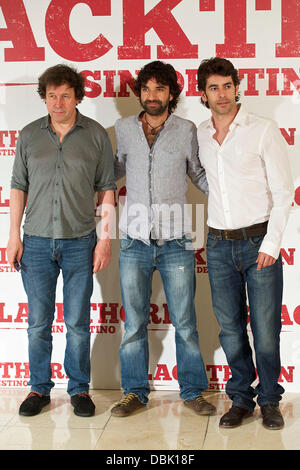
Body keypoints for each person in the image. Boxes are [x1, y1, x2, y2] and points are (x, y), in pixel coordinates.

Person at [7, 64, 115, 417]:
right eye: (51, 96)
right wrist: (13, 237)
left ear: (77, 97)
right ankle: (39, 389)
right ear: (44, 97)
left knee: (77, 322)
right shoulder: (28, 135)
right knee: (38, 321)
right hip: (35, 242)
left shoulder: (96, 135)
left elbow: (107, 190)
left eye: (65, 95)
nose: (57, 102)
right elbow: (18, 187)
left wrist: (105, 239)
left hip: (80, 241)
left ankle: (79, 390)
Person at [111, 60, 215, 417]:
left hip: (176, 240)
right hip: (133, 239)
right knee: (134, 322)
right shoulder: (123, 129)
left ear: (172, 93)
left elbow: (200, 175)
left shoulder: (187, 130)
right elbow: (113, 170)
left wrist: (231, 194)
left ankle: (192, 391)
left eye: (159, 89)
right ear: (139, 92)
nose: (151, 96)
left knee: (185, 322)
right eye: (146, 89)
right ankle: (134, 392)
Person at [197, 57, 294, 429]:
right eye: (213, 88)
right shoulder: (201, 134)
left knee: (266, 329)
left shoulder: (263, 129)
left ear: (237, 87)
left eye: (226, 86)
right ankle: (241, 398)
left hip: (259, 243)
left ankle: (269, 399)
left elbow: (283, 192)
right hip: (219, 245)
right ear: (203, 94)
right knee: (231, 329)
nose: (221, 94)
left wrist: (271, 244)